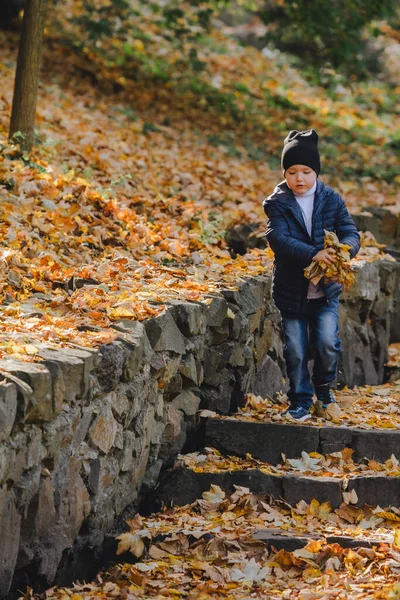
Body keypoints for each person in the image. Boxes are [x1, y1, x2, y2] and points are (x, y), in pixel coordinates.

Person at [263, 129, 360, 421]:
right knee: (295, 348)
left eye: (306, 171)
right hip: (292, 290)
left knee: (328, 343)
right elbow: (277, 239)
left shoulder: (331, 199)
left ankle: (325, 393)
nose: (300, 178)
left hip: (325, 289)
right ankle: (300, 400)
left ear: (315, 171)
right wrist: (312, 253)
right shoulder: (277, 202)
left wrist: (344, 250)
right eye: (292, 172)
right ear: (285, 173)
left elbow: (350, 231)